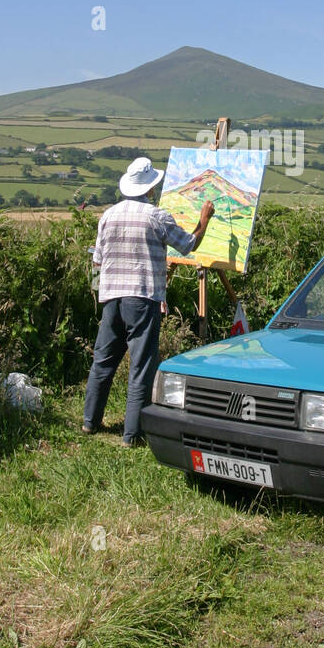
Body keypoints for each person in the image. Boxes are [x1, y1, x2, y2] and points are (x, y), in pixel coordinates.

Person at [82, 157, 214, 445]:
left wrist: (101, 293)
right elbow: (189, 245)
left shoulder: (108, 215)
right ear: (150, 189)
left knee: (103, 361)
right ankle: (132, 434)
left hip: (112, 298)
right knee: (141, 366)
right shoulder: (157, 217)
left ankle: (90, 422)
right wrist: (203, 221)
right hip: (142, 298)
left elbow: (97, 261)